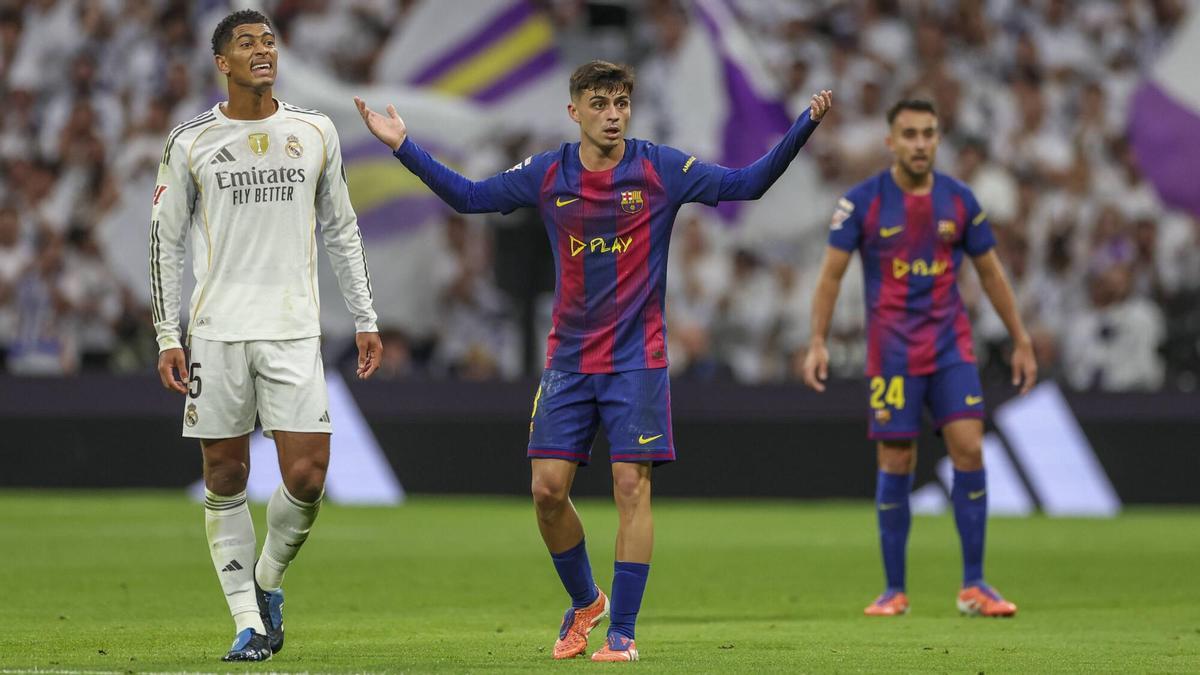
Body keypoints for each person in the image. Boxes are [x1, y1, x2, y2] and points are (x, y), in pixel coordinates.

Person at [355, 61, 831, 661]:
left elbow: (748, 183)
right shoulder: (549, 171)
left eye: (621, 102)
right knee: (546, 492)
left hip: (638, 358)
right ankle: (586, 601)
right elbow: (471, 198)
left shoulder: (659, 168)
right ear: (574, 110)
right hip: (570, 360)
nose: (613, 114)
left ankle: (623, 632)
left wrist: (803, 126)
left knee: (631, 485)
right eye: (600, 103)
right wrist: (403, 147)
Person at [149, 9, 382, 662]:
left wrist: (365, 317)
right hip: (218, 332)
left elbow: (342, 227)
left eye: (270, 41)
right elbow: (164, 240)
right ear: (221, 62)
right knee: (225, 473)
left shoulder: (313, 131)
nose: (263, 50)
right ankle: (247, 622)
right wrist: (168, 332)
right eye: (247, 43)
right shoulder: (190, 141)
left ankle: (268, 579)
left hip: (291, 328)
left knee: (308, 474)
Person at [802, 99, 1036, 618]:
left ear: (938, 139)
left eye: (928, 133)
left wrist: (1020, 337)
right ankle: (893, 590)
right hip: (892, 355)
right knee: (896, 460)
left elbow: (992, 273)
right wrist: (817, 340)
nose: (919, 143)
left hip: (951, 346)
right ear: (891, 141)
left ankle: (974, 584)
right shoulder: (861, 202)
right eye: (909, 134)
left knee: (970, 451)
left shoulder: (959, 200)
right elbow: (831, 276)